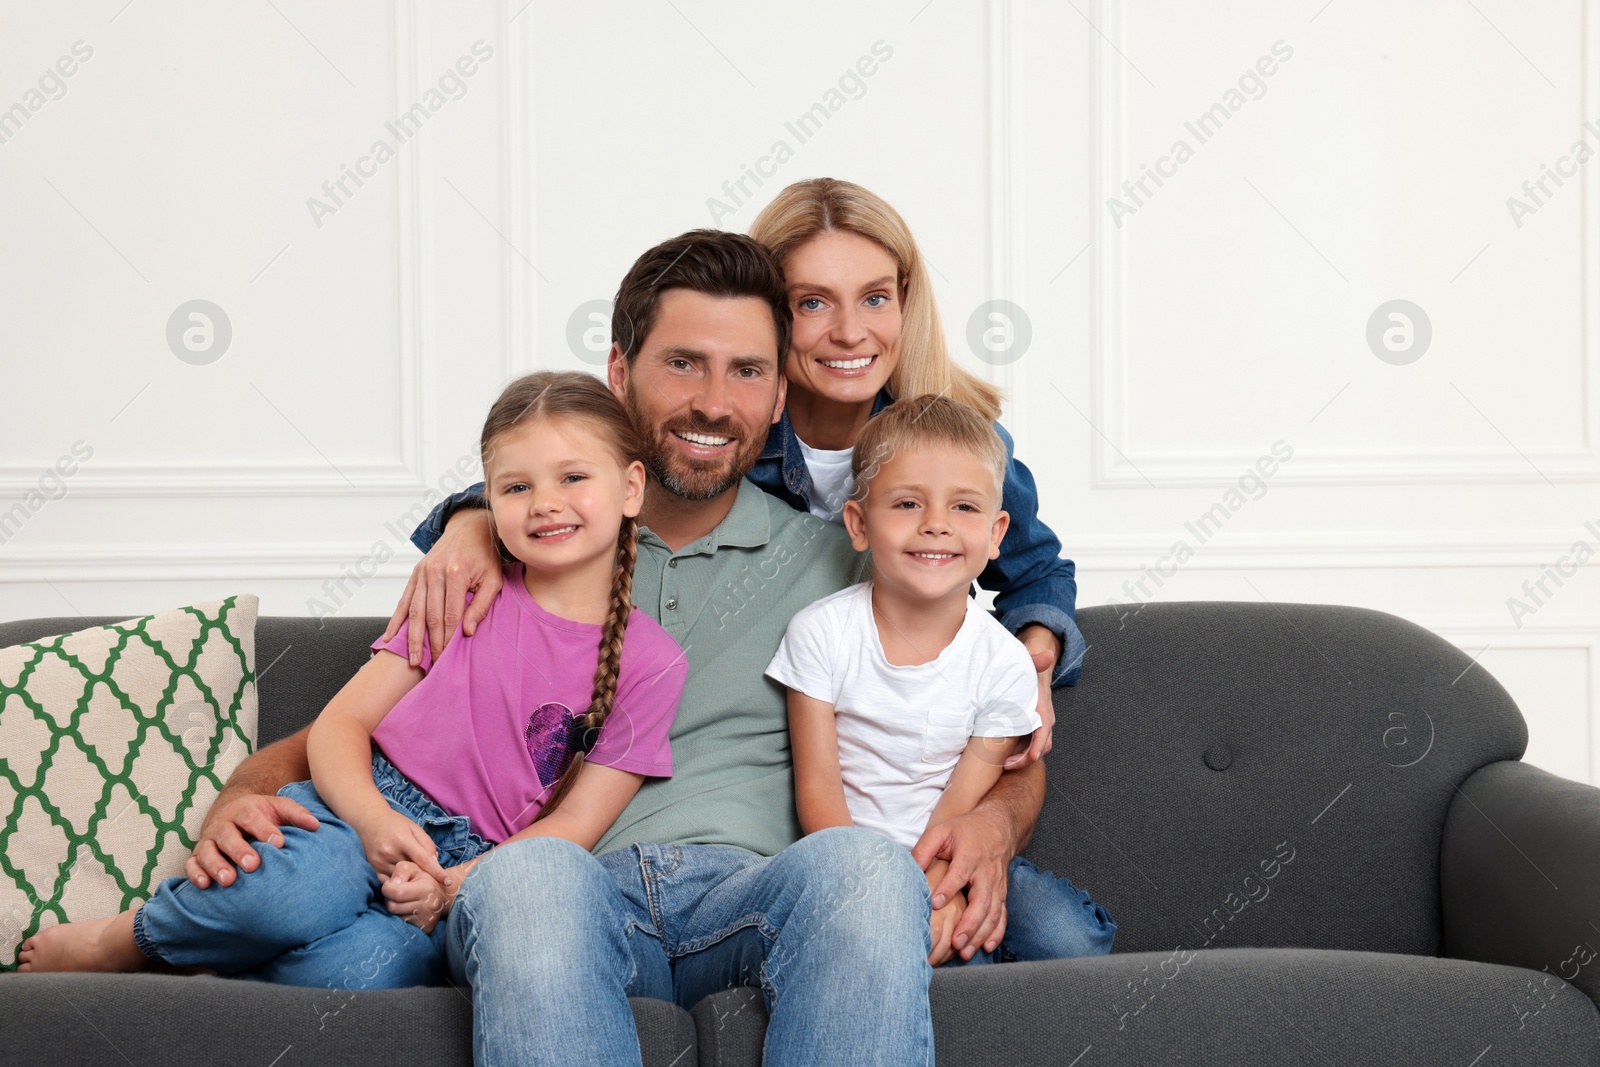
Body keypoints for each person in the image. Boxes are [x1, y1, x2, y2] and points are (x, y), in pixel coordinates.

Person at [179, 230, 1048, 1066]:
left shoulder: (845, 557)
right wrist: (247, 788)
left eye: (747, 369)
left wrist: (993, 823)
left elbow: (990, 706)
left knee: (863, 866)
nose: (714, 400)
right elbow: (399, 727)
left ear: (779, 395)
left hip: (749, 895)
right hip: (563, 894)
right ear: (620, 372)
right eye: (682, 362)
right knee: (534, 879)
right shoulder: (527, 551)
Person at [18, 372, 687, 989]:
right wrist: (371, 820)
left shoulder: (652, 662)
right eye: (516, 487)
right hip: (359, 807)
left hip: (469, 869)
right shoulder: (466, 590)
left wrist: (452, 887)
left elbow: (575, 822)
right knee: (297, 890)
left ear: (631, 488)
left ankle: (222, 953)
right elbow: (343, 724)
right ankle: (129, 937)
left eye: (573, 477)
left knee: (369, 974)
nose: (545, 503)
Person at [768, 395, 1115, 968]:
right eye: (907, 503)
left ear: (998, 532)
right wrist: (882, 894)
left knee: (1070, 937)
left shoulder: (1005, 662)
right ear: (858, 523)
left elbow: (961, 802)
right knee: (951, 957)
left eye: (964, 508)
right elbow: (818, 791)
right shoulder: (820, 633)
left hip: (955, 848)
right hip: (849, 857)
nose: (936, 525)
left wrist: (937, 889)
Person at [747, 177, 1086, 731]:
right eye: (812, 303)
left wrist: (1035, 660)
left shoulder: (964, 442)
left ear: (905, 298)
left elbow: (1038, 573)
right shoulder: (730, 447)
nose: (851, 333)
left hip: (919, 744)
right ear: (767, 312)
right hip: (765, 733)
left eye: (875, 298)